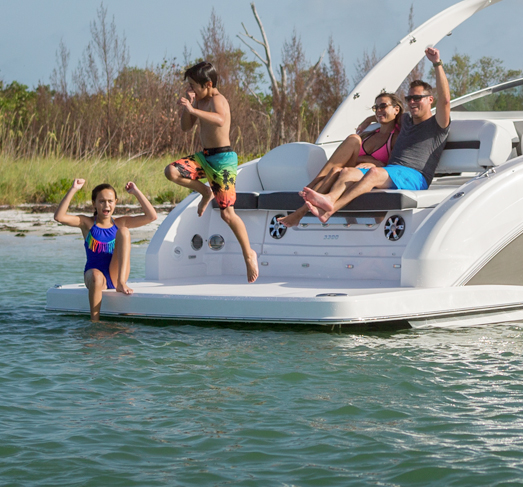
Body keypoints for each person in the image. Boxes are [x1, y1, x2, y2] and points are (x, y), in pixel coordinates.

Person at [294, 47, 450, 222]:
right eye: (409, 99)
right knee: (346, 173)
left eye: (417, 98)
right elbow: (386, 115)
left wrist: (437, 63)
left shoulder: (438, 124)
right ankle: (332, 203)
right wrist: (369, 119)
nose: (412, 102)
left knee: (374, 173)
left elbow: (445, 101)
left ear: (430, 99)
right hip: (391, 171)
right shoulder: (406, 120)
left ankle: (330, 210)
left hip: (415, 176)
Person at [164, 60, 260, 282]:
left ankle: (249, 254)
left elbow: (220, 120)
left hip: (223, 161)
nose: (190, 88)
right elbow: (185, 127)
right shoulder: (199, 101)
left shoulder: (218, 100)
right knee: (172, 171)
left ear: (207, 84)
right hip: (204, 157)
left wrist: (193, 109)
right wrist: (189, 106)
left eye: (193, 85)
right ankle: (205, 192)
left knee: (227, 214)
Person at [277, 91, 404, 229]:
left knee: (336, 171)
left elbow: (394, 167)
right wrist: (365, 156)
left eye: (383, 106)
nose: (378, 111)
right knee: (353, 139)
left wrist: (374, 163)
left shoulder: (396, 138)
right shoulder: (368, 134)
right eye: (376, 107)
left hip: (367, 175)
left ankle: (300, 211)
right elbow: (350, 157)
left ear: (396, 109)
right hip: (353, 168)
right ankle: (312, 185)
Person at [53, 178, 161, 321]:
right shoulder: (87, 223)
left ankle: (121, 284)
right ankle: (95, 322)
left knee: (124, 231)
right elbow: (59, 217)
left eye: (110, 201)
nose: (106, 205)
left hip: (116, 276)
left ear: (115, 202)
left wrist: (135, 192)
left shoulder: (120, 222)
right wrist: (73, 189)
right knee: (96, 277)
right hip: (94, 275)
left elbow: (152, 216)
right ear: (94, 203)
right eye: (102, 201)